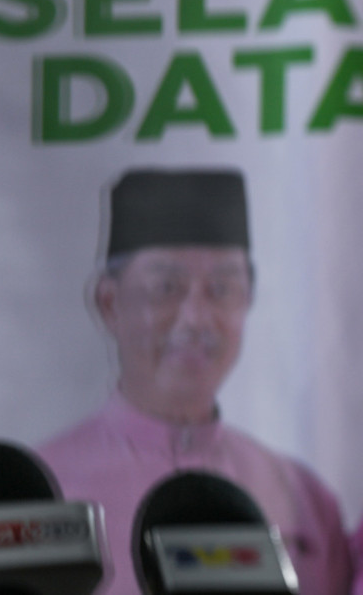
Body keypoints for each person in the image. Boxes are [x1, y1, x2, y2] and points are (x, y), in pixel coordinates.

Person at [36, 168, 352, 594]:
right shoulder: (42, 492)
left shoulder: (304, 497)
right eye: (166, 288)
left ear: (249, 300)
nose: (196, 318)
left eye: (222, 289)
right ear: (109, 303)